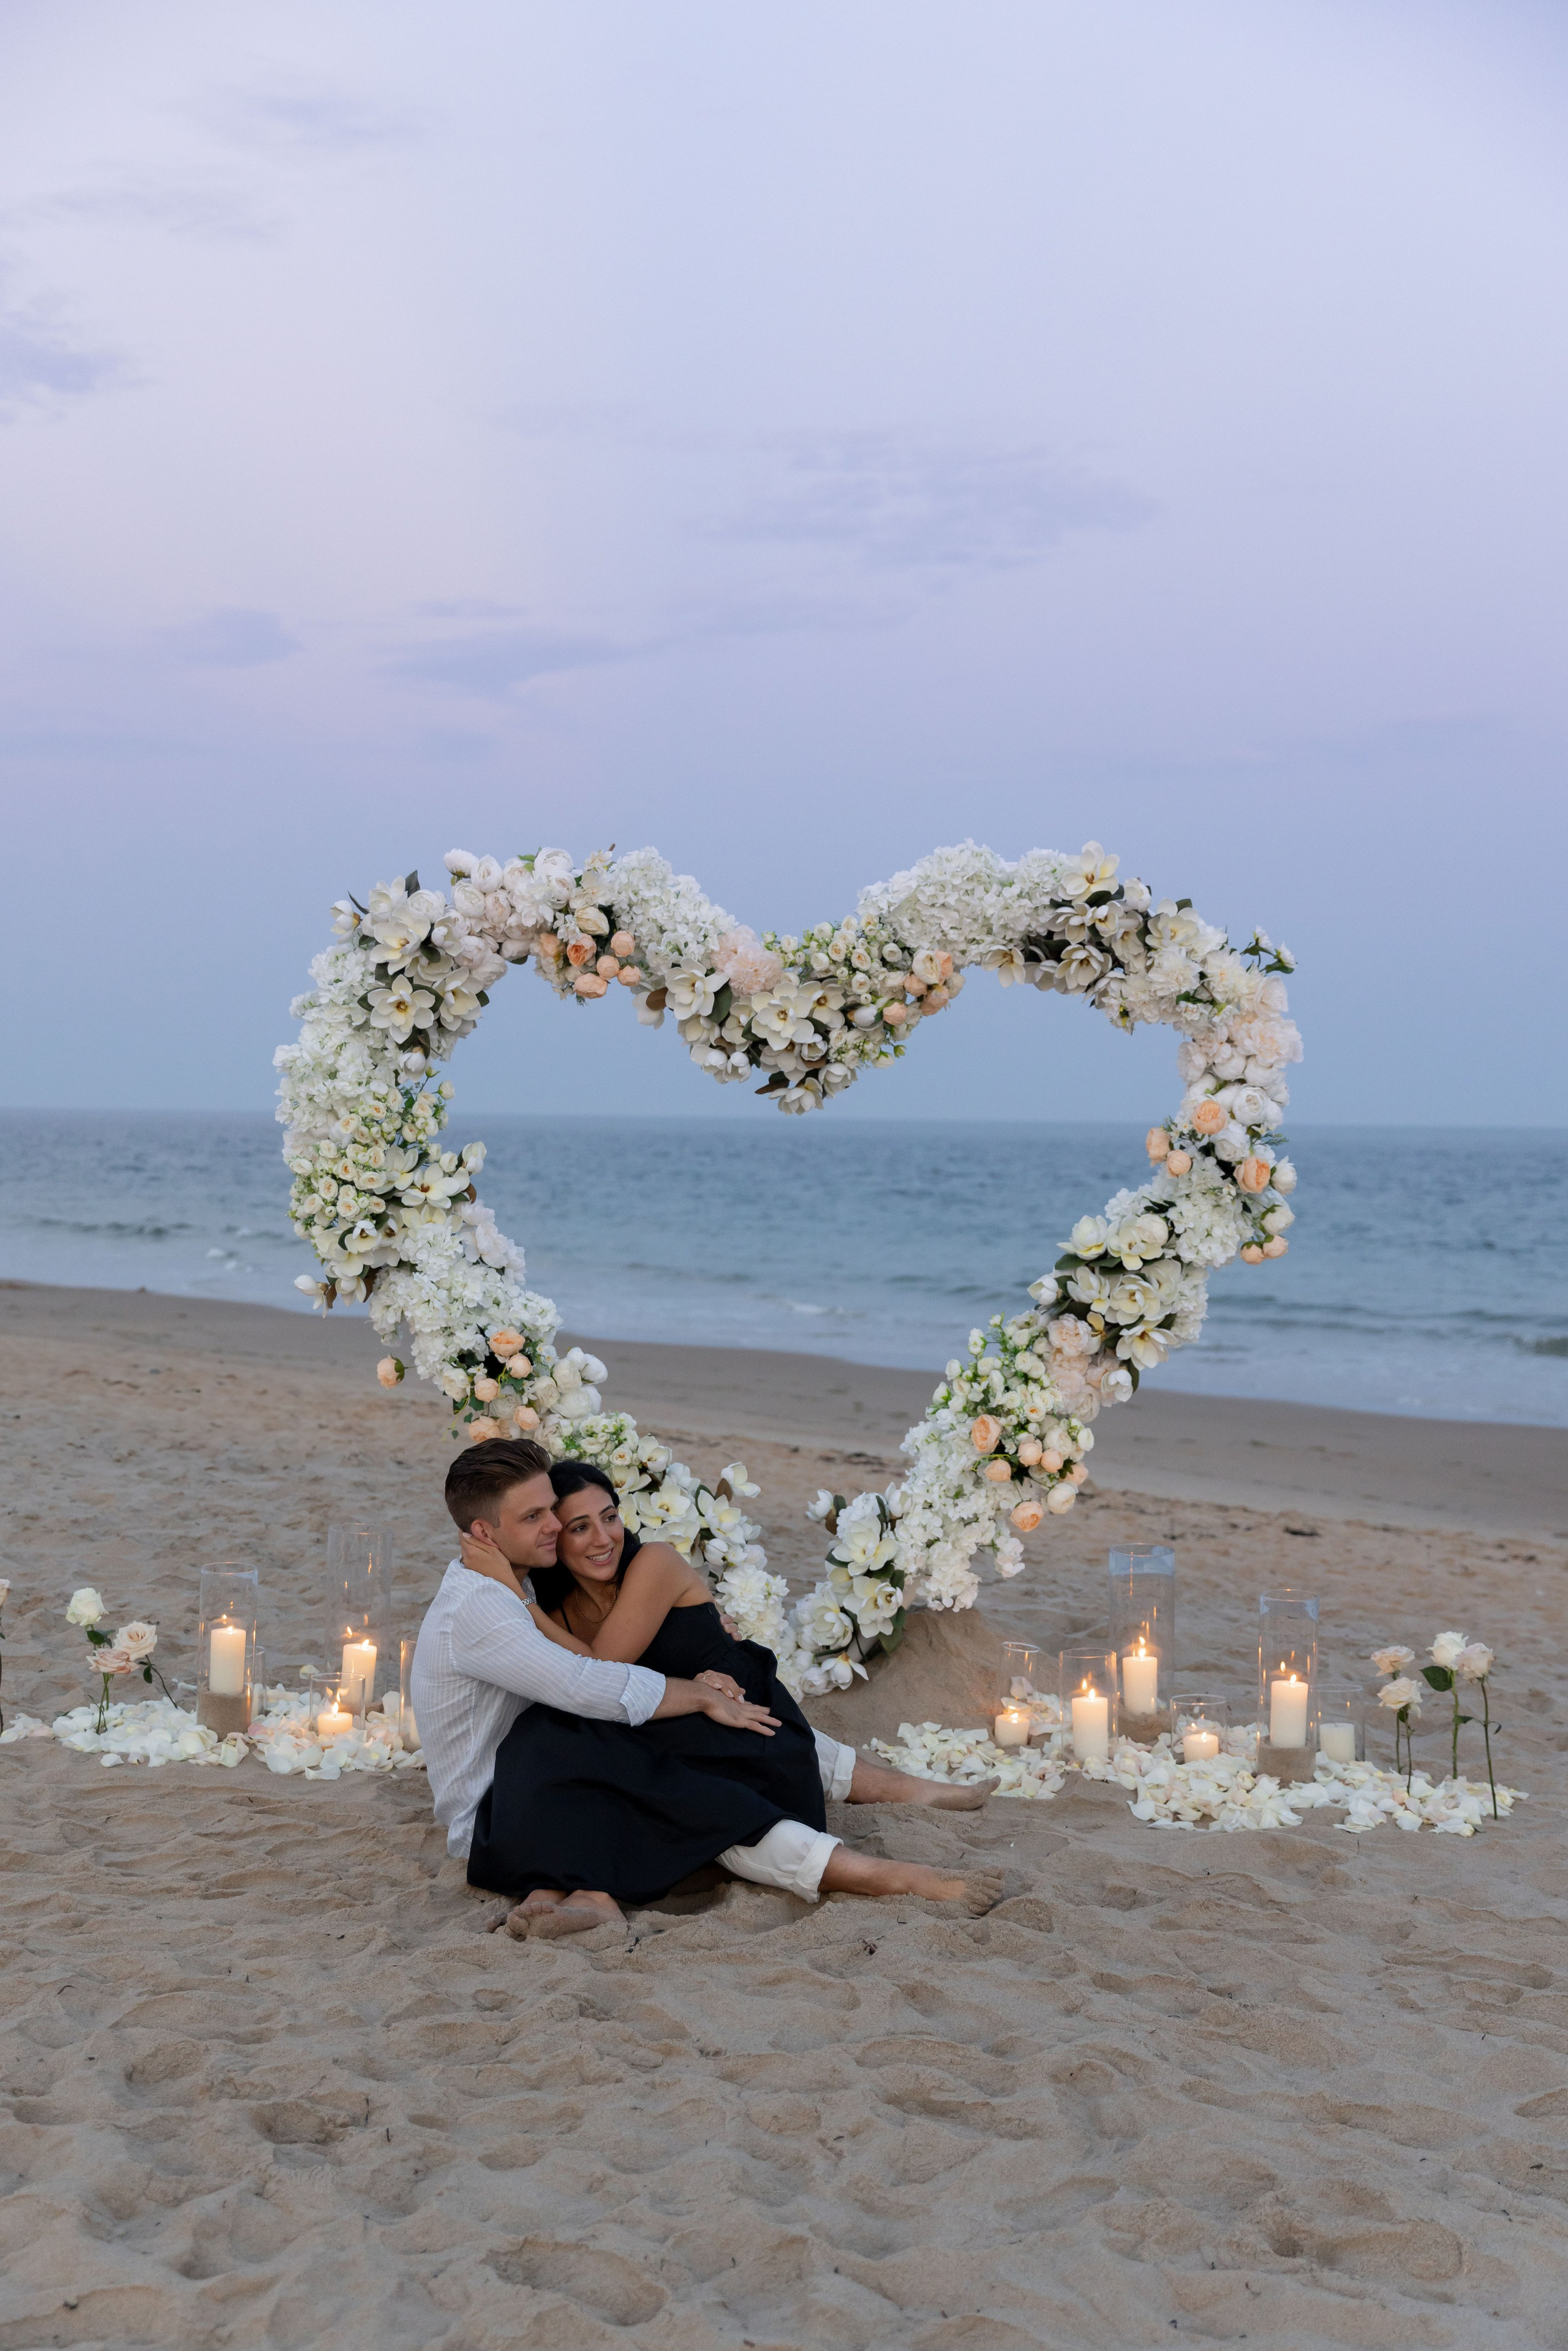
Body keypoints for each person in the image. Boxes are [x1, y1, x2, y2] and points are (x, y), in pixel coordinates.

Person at [412, 1437, 1002, 1938]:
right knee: (591, 1740)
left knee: (659, 1747)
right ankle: (586, 1892)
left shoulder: (546, 1584)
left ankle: (880, 1856)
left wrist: (697, 1681)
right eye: (547, 1521)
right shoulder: (505, 1602)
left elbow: (597, 1675)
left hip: (710, 1737)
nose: (567, 1532)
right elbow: (588, 1680)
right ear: (486, 1532)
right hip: (525, 1793)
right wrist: (692, 1690)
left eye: (597, 1517)